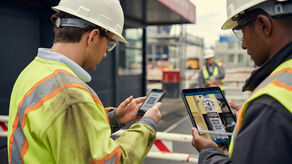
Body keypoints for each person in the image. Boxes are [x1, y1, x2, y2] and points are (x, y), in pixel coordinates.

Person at [7, 0, 162, 163]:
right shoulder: (71, 95)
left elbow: (62, 133)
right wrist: (147, 125)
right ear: (93, 37)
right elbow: (111, 161)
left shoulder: (32, 72)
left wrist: (115, 118)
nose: (104, 54)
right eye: (109, 44)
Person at [192, 0, 292, 163]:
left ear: (263, 25)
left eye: (241, 32)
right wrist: (252, 122)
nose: (243, 45)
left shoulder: (269, 106)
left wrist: (208, 151)